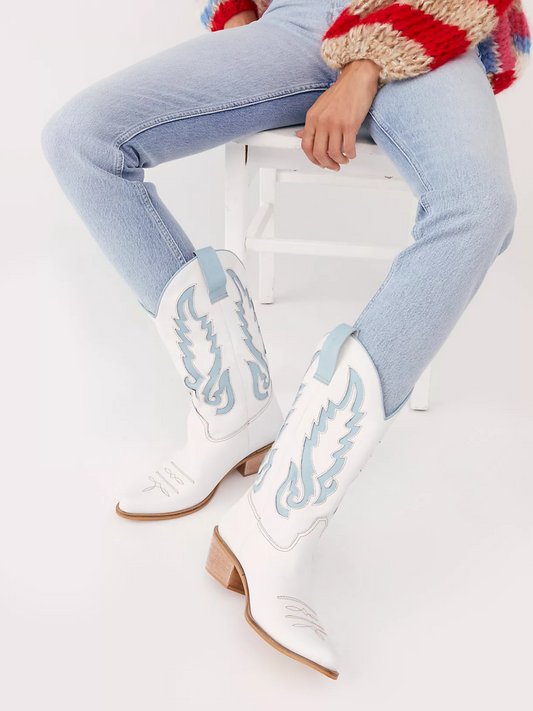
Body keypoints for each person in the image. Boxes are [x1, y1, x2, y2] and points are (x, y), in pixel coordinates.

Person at [42, 0, 530, 680]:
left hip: (427, 23)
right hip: (298, 22)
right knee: (80, 138)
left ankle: (276, 522)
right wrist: (239, 24)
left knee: (479, 206)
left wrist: (366, 65)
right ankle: (235, 415)